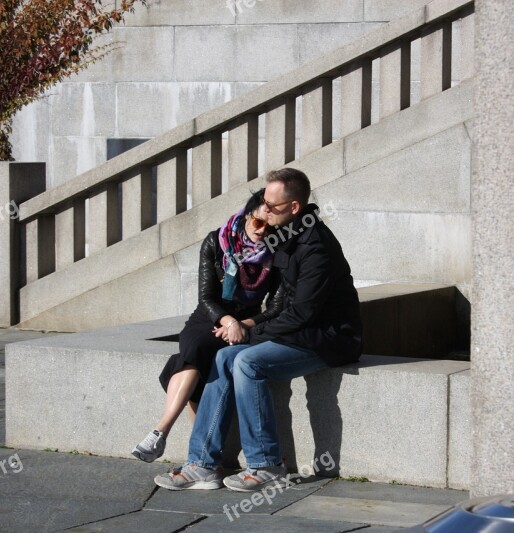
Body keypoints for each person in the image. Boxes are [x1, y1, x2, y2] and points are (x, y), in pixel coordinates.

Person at [154, 167, 363, 492]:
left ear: (294, 207)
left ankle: (266, 463)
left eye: (272, 204)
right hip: (300, 333)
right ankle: (202, 465)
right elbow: (279, 308)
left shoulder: (314, 246)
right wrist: (242, 324)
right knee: (225, 357)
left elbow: (302, 314)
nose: (264, 209)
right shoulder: (285, 237)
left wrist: (249, 334)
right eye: (263, 201)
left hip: (328, 339)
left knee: (247, 362)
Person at [132, 189, 281, 463]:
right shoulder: (218, 240)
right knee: (197, 347)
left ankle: (172, 439)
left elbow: (274, 308)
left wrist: (243, 324)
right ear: (248, 215)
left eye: (269, 226)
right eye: (258, 223)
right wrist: (228, 320)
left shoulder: (277, 252)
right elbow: (206, 297)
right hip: (209, 317)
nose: (262, 231)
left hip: (246, 321)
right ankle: (186, 445)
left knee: (186, 359)